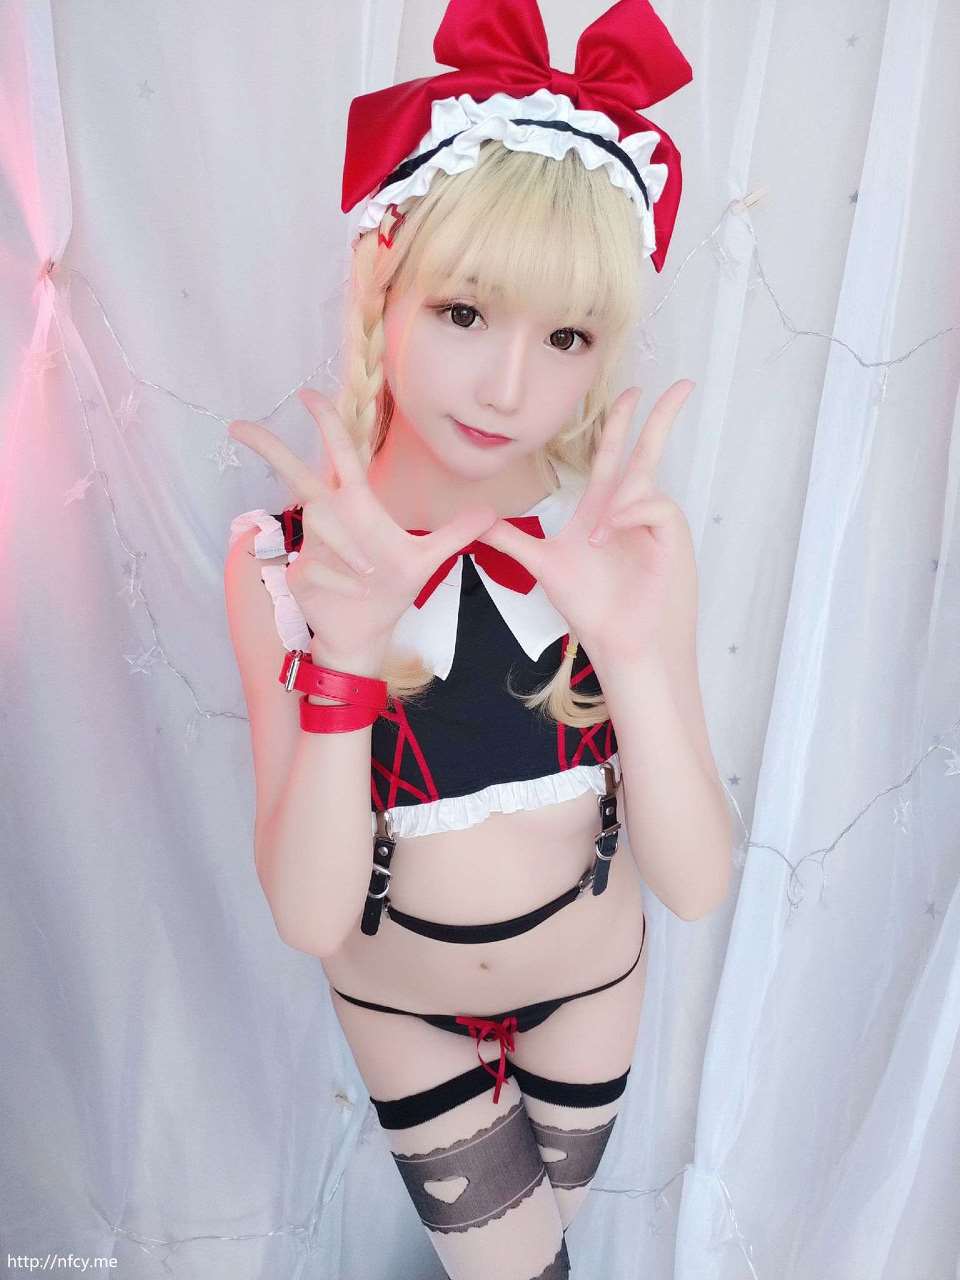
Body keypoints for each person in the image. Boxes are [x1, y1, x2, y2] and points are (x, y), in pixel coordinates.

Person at [224, 2, 727, 1276]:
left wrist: (636, 649)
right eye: (465, 313)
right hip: (400, 1002)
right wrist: (344, 656)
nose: (511, 387)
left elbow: (697, 880)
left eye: (565, 337)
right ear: (382, 284)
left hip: (593, 981)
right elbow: (309, 913)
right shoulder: (284, 561)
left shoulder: (611, 545)